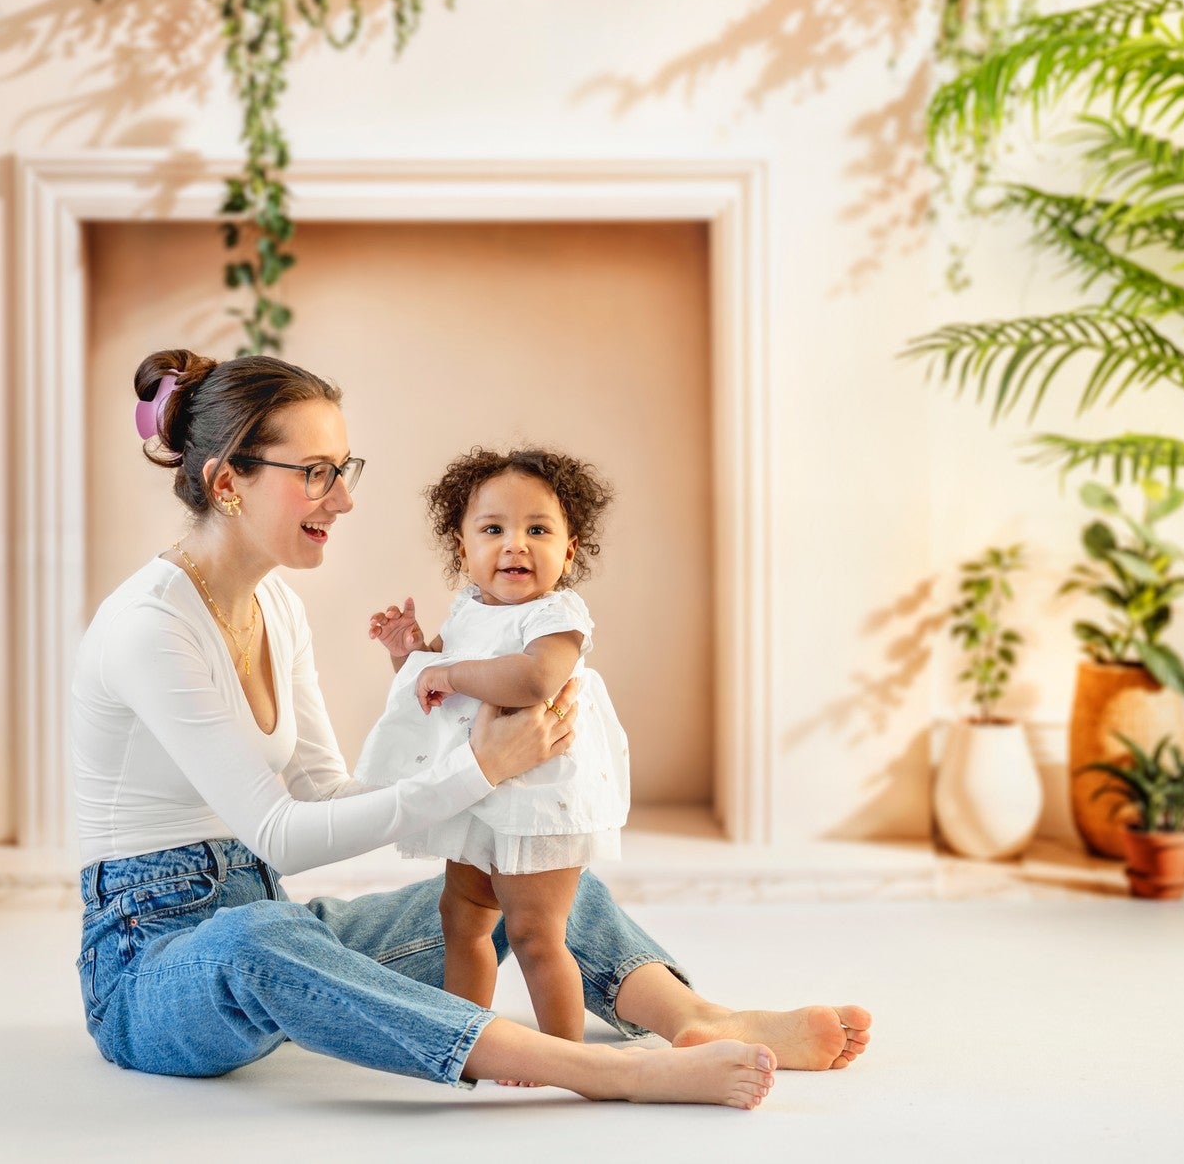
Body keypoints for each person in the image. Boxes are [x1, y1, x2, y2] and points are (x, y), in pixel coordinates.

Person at [67, 350, 872, 1106]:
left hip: (269, 913)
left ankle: (701, 1015)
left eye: (343, 471)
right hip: (150, 974)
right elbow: (282, 832)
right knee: (258, 937)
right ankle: (603, 1071)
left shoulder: (275, 604)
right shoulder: (150, 626)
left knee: (524, 878)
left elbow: (331, 793)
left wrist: (474, 758)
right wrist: (476, 770)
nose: (342, 499)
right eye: (316, 474)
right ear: (228, 482)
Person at [355, 446, 630, 1041]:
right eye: (493, 529)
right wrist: (412, 656)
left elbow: (532, 679)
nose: (515, 544)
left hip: (537, 800)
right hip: (477, 792)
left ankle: (565, 1053)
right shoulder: (467, 612)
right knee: (461, 918)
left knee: (535, 935)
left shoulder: (556, 616)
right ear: (463, 548)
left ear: (569, 549)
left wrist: (448, 673)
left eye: (538, 529)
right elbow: (436, 700)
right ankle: (467, 1034)